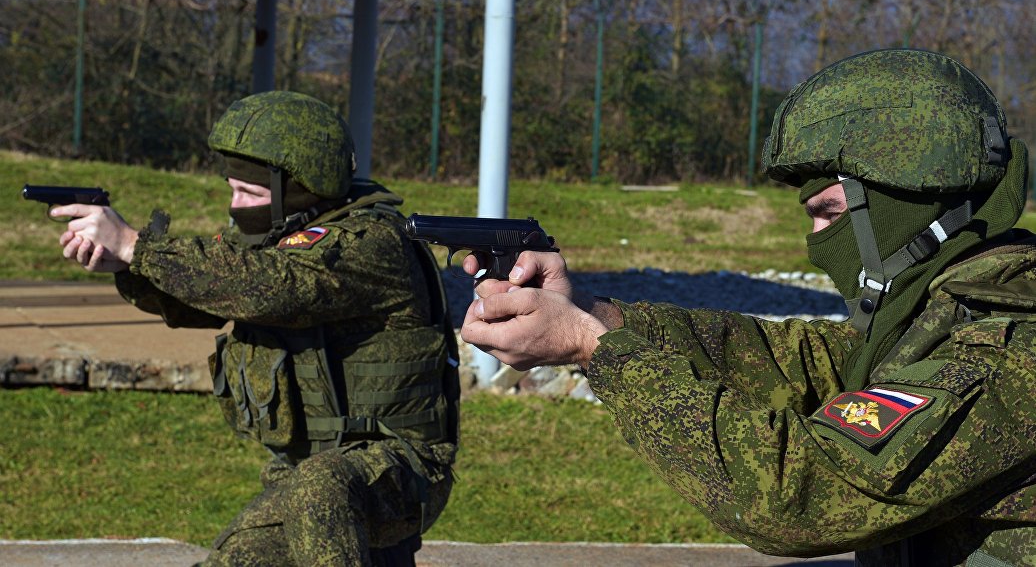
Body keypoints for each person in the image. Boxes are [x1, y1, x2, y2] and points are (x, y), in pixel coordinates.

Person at [461, 49, 1036, 565]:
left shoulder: (1009, 348)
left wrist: (594, 348)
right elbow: (802, 365)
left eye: (830, 212)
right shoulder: (939, 319)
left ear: (901, 200)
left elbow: (799, 497)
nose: (816, 244)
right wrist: (593, 313)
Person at [53, 91, 460, 567]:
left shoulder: (370, 244)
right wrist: (125, 268)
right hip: (312, 483)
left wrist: (135, 246)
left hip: (402, 471)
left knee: (319, 486)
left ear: (301, 186)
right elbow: (210, 295)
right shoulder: (283, 233)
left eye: (249, 193)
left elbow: (273, 288)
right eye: (231, 188)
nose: (235, 204)